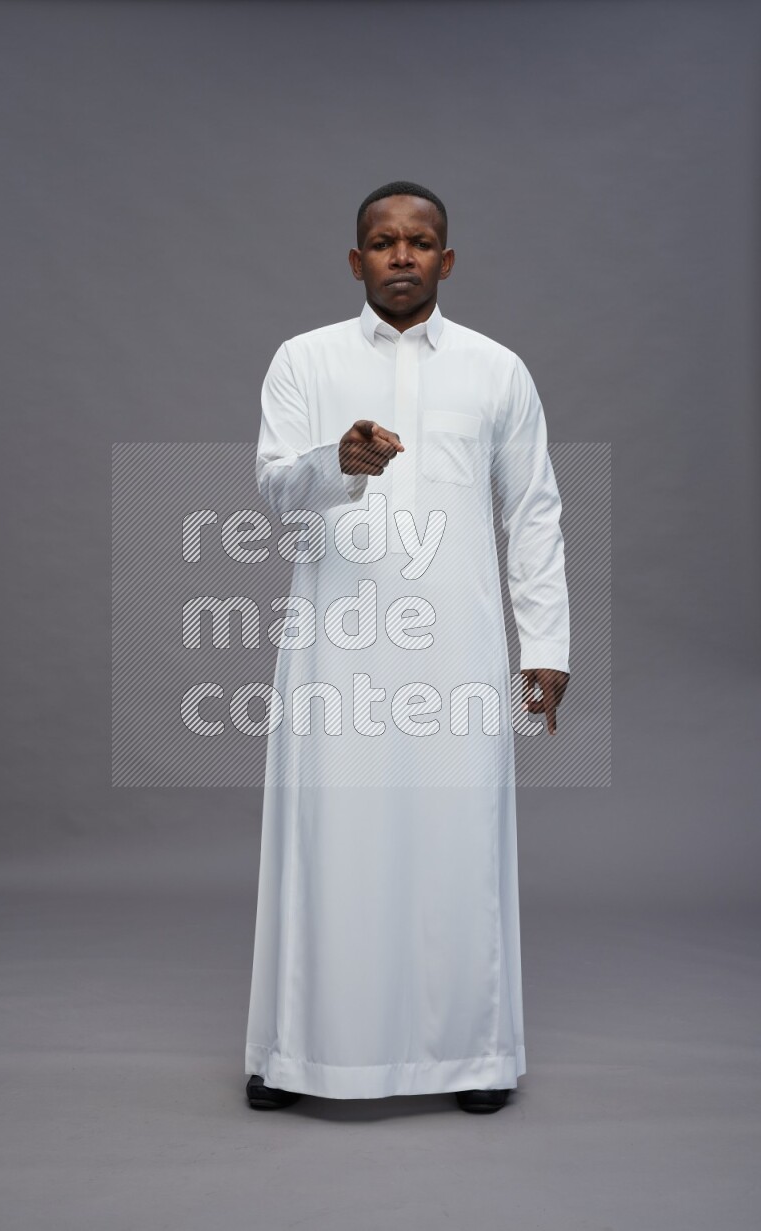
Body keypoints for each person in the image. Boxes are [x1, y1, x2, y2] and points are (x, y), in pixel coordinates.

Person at [244, 180, 570, 1114]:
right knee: (324, 841)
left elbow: (534, 509)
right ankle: (294, 1052)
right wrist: (332, 465)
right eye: (381, 242)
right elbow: (273, 488)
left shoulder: (497, 370)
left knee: (457, 842)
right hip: (336, 648)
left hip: (458, 649)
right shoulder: (303, 362)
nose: (400, 255)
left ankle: (471, 1054)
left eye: (418, 242)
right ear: (355, 261)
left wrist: (544, 640)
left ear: (446, 259)